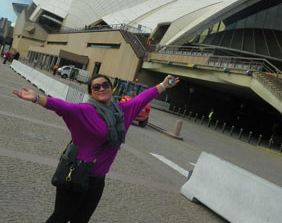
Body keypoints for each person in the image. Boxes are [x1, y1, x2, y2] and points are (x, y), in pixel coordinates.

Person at [12, 74, 179, 223]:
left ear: (111, 88)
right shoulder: (84, 110)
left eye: (105, 85)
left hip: (98, 180)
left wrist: (163, 85)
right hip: (77, 172)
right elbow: (62, 106)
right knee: (60, 217)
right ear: (91, 93)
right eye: (96, 87)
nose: (101, 89)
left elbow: (142, 98)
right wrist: (36, 98)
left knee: (82, 219)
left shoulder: (121, 112)